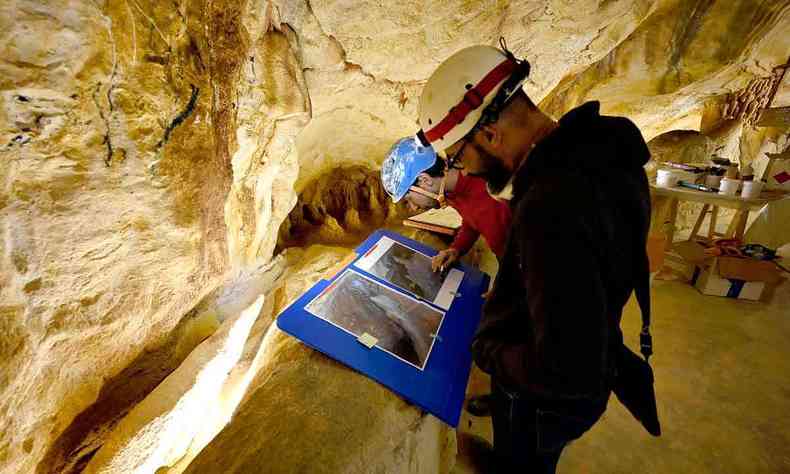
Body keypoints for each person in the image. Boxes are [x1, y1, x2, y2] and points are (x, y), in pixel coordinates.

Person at [416, 42, 653, 472]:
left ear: (489, 134)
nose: (463, 170)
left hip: (544, 406)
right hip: (596, 358)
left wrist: (490, 350)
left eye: (458, 156)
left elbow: (567, 370)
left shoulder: (550, 207)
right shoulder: (604, 155)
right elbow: (580, 285)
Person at [381, 135, 512, 416]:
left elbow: (528, 248)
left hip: (530, 271)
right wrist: (456, 248)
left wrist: (509, 286)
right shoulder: (453, 190)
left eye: (409, 199)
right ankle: (504, 396)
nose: (412, 208)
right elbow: (471, 219)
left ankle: (518, 407)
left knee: (511, 342)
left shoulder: (490, 192)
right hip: (513, 263)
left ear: (425, 182)